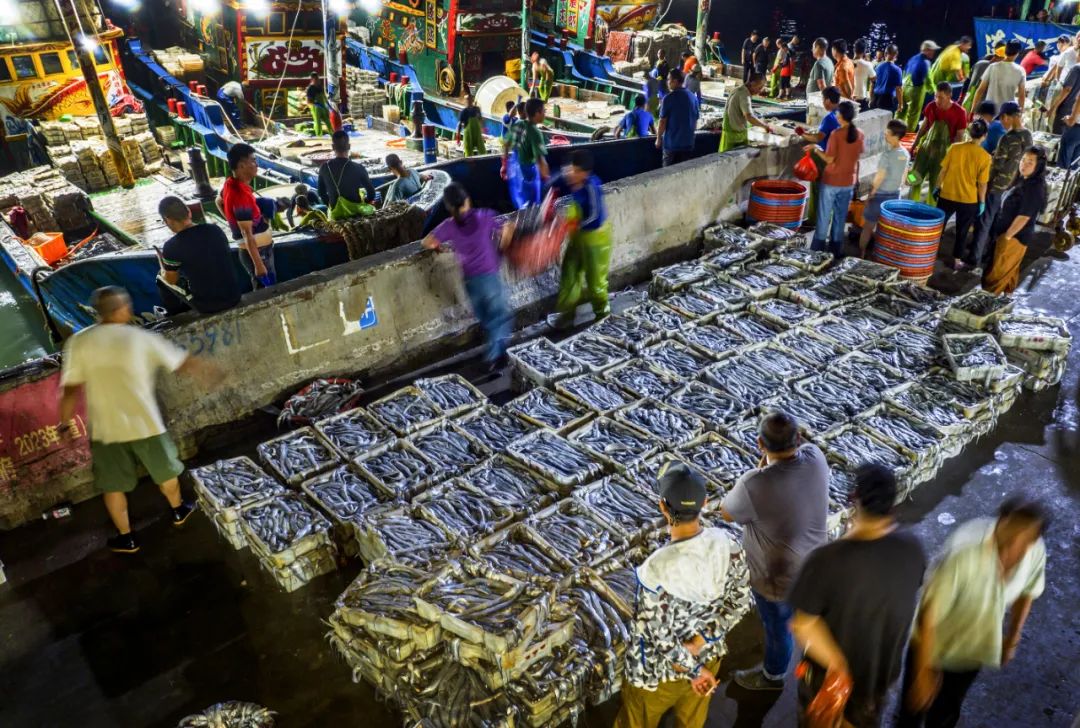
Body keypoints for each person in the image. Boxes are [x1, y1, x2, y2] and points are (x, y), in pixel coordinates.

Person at [58, 287, 214, 553]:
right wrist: (210, 373)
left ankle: (127, 538)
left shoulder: (79, 342)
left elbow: (70, 388)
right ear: (123, 309)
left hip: (106, 428)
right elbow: (182, 362)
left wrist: (63, 423)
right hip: (145, 423)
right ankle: (178, 510)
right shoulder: (140, 337)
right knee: (165, 472)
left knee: (113, 486)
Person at [788, 464, 926, 727]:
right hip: (877, 683)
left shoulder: (827, 560)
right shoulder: (912, 549)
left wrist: (839, 668)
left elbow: (802, 624)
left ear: (855, 500)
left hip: (828, 687)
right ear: (892, 504)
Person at [899, 495, 1048, 728]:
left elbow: (1028, 590)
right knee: (912, 712)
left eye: (1025, 537)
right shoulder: (964, 549)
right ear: (1002, 521)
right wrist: (923, 671)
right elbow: (930, 612)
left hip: (972, 649)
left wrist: (1012, 637)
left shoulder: (1035, 551)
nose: (1016, 541)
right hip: (933, 643)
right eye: (1013, 529)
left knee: (945, 713)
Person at [616, 462, 733, 728]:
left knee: (638, 721)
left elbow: (658, 634)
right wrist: (700, 643)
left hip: (657, 675)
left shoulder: (654, 569)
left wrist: (691, 668)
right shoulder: (727, 543)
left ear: (663, 507)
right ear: (705, 503)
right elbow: (737, 603)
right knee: (691, 722)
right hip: (708, 658)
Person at [721, 411, 829, 691]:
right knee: (811, 616)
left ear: (759, 444)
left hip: (776, 581)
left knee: (778, 629)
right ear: (800, 437)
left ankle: (773, 676)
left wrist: (759, 470)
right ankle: (816, 664)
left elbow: (726, 513)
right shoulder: (816, 458)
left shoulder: (753, 484)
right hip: (817, 568)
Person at [422, 183, 512, 371]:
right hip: (489, 277)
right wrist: (502, 248)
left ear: (449, 207)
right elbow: (507, 228)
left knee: (487, 318)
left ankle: (499, 352)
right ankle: (494, 357)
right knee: (500, 317)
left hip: (470, 280)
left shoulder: (449, 226)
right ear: (467, 200)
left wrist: (440, 247)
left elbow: (428, 242)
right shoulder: (483, 216)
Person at [549, 149, 612, 327]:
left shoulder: (592, 186)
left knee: (595, 282)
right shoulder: (568, 177)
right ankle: (567, 316)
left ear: (584, 174)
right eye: (569, 169)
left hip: (596, 238)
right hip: (577, 235)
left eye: (575, 171)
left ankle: (603, 315)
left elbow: (594, 216)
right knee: (569, 272)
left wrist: (571, 225)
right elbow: (552, 180)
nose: (570, 174)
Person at [155, 196, 241, 316]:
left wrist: (162, 264)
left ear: (167, 220)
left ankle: (174, 316)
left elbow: (171, 280)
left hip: (208, 306)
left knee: (161, 277)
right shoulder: (215, 230)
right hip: (235, 296)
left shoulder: (171, 246)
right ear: (189, 212)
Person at [973, 102, 1031, 268]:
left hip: (997, 185)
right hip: (1012, 186)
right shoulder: (1027, 135)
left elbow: (996, 165)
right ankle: (989, 251)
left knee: (985, 220)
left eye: (1003, 119)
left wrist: (984, 180)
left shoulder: (1007, 138)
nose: (1002, 122)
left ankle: (974, 257)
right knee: (997, 218)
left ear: (1007, 117)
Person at [983, 146, 1048, 293]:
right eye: (1023, 160)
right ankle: (1005, 300)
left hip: (1015, 238)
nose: (1023, 164)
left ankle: (986, 304)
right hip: (1006, 234)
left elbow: (1024, 216)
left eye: (1030, 162)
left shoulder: (1035, 188)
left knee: (996, 276)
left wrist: (1007, 237)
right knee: (1008, 273)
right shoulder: (1023, 180)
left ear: (1038, 166)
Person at [808, 100, 863, 256]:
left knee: (824, 217)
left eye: (838, 113)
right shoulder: (860, 134)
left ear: (841, 116)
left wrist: (816, 149)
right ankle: (835, 252)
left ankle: (817, 251)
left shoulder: (836, 135)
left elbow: (830, 159)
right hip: (848, 182)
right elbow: (857, 158)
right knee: (840, 218)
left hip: (832, 181)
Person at [936, 118, 991, 271]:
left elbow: (943, 171)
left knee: (938, 226)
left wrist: (936, 187)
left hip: (947, 194)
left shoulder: (954, 148)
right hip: (968, 200)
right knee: (962, 230)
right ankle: (956, 260)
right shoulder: (985, 157)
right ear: (984, 135)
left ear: (969, 132)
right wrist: (981, 202)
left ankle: (929, 252)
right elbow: (982, 184)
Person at [219, 143, 275, 288]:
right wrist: (259, 264)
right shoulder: (240, 194)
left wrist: (232, 220)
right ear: (242, 165)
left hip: (258, 250)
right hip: (259, 254)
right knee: (266, 293)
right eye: (253, 160)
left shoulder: (230, 183)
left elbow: (218, 201)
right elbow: (246, 233)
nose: (256, 164)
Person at [909, 82, 969, 205]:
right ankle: (910, 204)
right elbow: (923, 128)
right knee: (914, 177)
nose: (937, 100)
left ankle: (931, 210)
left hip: (944, 152)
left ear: (949, 96)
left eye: (940, 97)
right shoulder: (931, 106)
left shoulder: (960, 112)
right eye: (935, 96)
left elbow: (960, 137)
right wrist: (914, 145)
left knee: (935, 183)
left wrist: (954, 158)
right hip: (926, 148)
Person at [858, 119, 909, 256]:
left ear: (896, 136)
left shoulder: (887, 155)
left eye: (887, 133)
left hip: (880, 195)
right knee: (885, 228)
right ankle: (880, 255)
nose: (885, 135)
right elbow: (905, 176)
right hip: (895, 195)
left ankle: (861, 253)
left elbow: (879, 177)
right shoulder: (905, 154)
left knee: (868, 226)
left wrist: (871, 194)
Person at [318, 130, 377, 220]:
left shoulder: (324, 167)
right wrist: (364, 202)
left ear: (333, 147)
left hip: (336, 216)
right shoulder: (358, 168)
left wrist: (332, 204)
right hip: (357, 216)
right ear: (349, 146)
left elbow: (321, 193)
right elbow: (372, 193)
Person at [502, 97, 549, 208]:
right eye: (543, 111)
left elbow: (506, 144)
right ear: (537, 113)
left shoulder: (517, 124)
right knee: (532, 205)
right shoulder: (535, 132)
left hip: (516, 169)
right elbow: (540, 160)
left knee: (520, 202)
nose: (544, 114)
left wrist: (504, 165)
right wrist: (547, 180)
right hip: (528, 171)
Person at [656, 68, 699, 167]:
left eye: (668, 79)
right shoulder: (693, 97)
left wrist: (658, 138)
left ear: (675, 81)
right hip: (688, 144)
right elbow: (695, 121)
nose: (667, 82)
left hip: (672, 145)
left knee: (666, 175)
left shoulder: (668, 98)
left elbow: (662, 121)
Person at [719, 72, 771, 152]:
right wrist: (764, 126)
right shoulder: (744, 95)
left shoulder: (738, 89)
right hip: (734, 135)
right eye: (759, 87)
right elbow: (749, 116)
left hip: (729, 130)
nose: (759, 91)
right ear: (753, 84)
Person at [973, 40, 1026, 111]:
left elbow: (980, 90)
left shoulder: (992, 67)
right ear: (1017, 53)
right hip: (1007, 113)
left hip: (990, 112)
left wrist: (972, 111)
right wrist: (1020, 112)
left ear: (1006, 50)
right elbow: (1021, 96)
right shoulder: (1020, 70)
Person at [899, 40, 940, 131]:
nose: (933, 52)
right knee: (913, 114)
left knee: (901, 112)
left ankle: (896, 131)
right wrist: (934, 91)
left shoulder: (913, 58)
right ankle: (908, 135)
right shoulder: (926, 62)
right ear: (926, 50)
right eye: (932, 50)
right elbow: (928, 80)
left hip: (905, 87)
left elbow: (905, 71)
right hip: (916, 90)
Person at [963, 44, 1004, 113]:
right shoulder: (994, 69)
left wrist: (961, 98)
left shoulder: (978, 64)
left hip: (968, 102)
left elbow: (967, 82)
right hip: (980, 108)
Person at [1047, 55, 1080, 135]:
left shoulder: (1076, 68)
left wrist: (1053, 108)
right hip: (1077, 113)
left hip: (1067, 108)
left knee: (1058, 136)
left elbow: (1067, 90)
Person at [872, 43, 904, 112]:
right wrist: (900, 104)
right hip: (887, 101)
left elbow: (873, 84)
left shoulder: (877, 66)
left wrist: (871, 99)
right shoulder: (897, 70)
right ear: (896, 54)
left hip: (875, 98)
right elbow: (898, 89)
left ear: (885, 54)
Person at [457, 90, 486, 157]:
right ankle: (470, 163)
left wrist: (484, 129)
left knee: (482, 150)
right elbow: (459, 125)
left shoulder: (477, 109)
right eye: (467, 100)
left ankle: (484, 161)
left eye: (470, 100)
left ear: (472, 100)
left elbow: (481, 119)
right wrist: (458, 137)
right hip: (468, 134)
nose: (469, 101)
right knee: (468, 151)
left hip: (477, 134)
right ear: (465, 101)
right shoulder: (463, 112)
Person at [852, 39, 876, 109]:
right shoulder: (867, 65)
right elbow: (874, 79)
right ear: (864, 51)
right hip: (861, 99)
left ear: (854, 49)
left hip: (848, 97)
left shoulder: (848, 63)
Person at [306, 72, 331, 136]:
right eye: (316, 79)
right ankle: (319, 136)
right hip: (315, 108)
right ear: (312, 79)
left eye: (318, 78)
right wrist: (316, 104)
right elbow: (308, 102)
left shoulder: (320, 87)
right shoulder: (310, 89)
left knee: (328, 121)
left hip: (323, 107)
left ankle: (333, 135)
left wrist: (329, 106)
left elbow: (324, 97)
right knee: (318, 123)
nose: (317, 80)